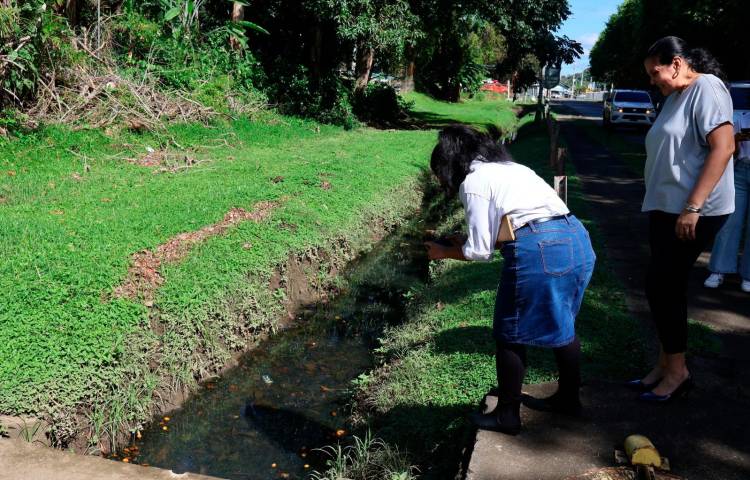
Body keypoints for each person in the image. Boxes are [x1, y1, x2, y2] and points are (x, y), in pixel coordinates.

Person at [424, 125, 596, 435]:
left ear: (450, 165)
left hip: (540, 248)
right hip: (576, 239)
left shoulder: (474, 183)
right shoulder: (510, 168)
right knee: (564, 324)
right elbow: (509, 227)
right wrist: (460, 240)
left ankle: (506, 416)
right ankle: (569, 399)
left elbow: (479, 252)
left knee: (509, 333)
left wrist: (442, 252)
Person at [631, 36, 735, 402]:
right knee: (663, 287)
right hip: (665, 207)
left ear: (676, 63)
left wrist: (693, 207)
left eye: (654, 71)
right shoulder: (673, 97)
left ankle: (677, 372)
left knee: (663, 286)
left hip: (691, 211)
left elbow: (724, 147)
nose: (652, 80)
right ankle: (666, 365)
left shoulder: (707, 87)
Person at [704, 111, 750, 292]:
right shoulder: (742, 117)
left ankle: (748, 275)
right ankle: (719, 269)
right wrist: (737, 140)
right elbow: (731, 149)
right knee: (730, 222)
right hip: (740, 170)